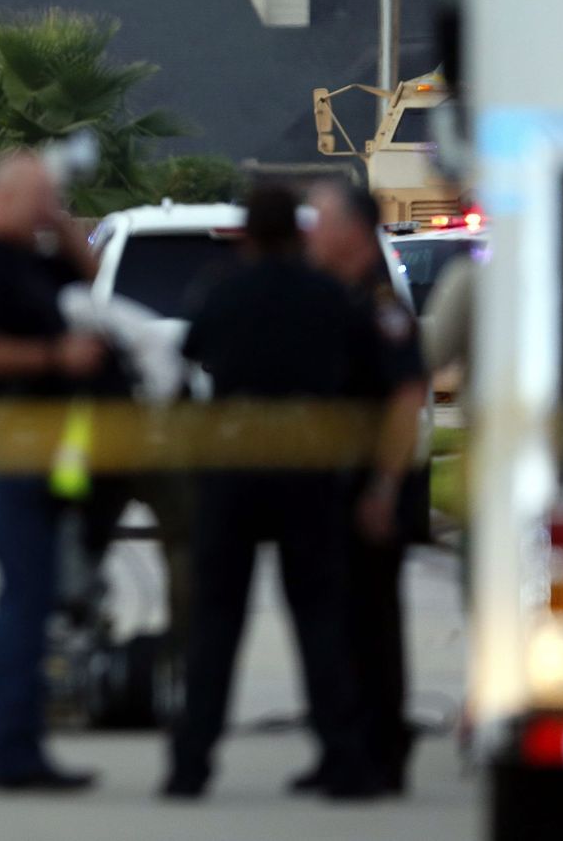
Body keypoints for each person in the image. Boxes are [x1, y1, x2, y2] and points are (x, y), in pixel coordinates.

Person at [165, 183, 380, 800]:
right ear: (298, 231)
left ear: (249, 234)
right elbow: (360, 365)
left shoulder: (224, 289)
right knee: (318, 619)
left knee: (216, 624)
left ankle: (191, 764)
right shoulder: (328, 295)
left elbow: (191, 350)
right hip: (307, 469)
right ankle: (344, 759)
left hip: (232, 471)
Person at [0, 148, 102, 791]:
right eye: (35, 196)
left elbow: (93, 283)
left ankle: (12, 740)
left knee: (32, 595)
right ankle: (7, 749)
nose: (45, 205)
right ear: (2, 197)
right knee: (28, 593)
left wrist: (64, 228)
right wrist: (54, 357)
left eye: (50, 195)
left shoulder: (35, 261)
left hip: (44, 448)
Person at [301, 180, 429, 796]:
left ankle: (381, 753)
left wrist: (382, 487)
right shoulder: (338, 299)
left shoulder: (380, 307)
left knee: (370, 626)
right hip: (336, 489)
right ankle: (344, 752)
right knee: (340, 627)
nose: (311, 234)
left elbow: (407, 397)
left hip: (370, 494)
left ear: (351, 232)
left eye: (320, 222)